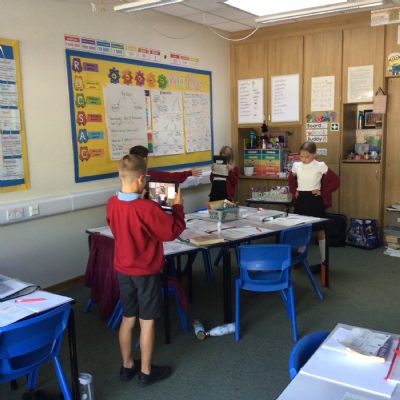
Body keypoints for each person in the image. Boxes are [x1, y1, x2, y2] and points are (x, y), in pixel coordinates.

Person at [106, 154, 185, 387]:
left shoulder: (112, 203)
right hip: (145, 272)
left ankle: (127, 365)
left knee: (128, 317)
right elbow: (171, 231)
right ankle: (146, 371)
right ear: (142, 179)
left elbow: (117, 225)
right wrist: (177, 206)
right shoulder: (147, 207)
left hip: (123, 269)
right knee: (147, 321)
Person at [288, 141, 340, 274]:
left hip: (314, 200)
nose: (304, 159)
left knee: (320, 230)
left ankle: (324, 260)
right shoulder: (296, 165)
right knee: (300, 229)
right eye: (301, 156)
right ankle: (300, 258)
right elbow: (291, 180)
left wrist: (322, 191)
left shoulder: (320, 165)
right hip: (301, 199)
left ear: (314, 155)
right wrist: (294, 190)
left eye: (307, 156)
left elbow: (335, 181)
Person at [129, 145, 201, 183]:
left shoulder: (126, 175)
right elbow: (171, 177)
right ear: (145, 159)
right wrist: (189, 173)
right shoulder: (148, 175)